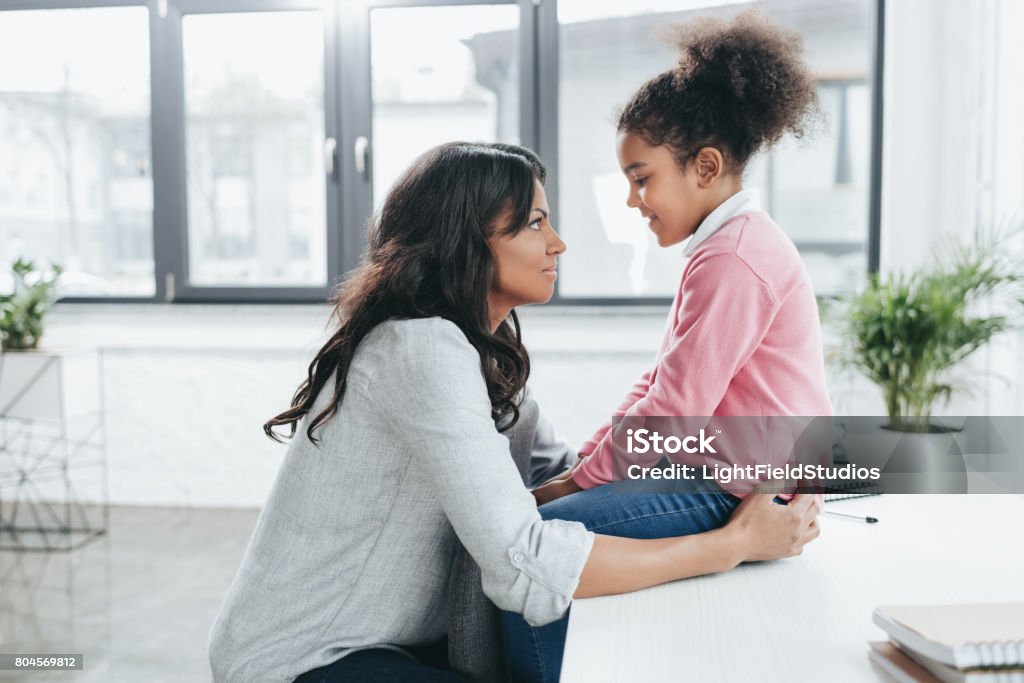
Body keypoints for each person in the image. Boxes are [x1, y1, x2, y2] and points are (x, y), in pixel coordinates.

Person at [207, 141, 821, 683]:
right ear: (466, 242)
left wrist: (776, 470)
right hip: (309, 661)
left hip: (402, 645)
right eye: (533, 223)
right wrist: (733, 542)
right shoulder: (419, 351)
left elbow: (565, 476)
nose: (558, 243)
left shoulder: (479, 359)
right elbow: (521, 563)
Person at [511, 10, 834, 681]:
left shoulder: (734, 257)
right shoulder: (726, 245)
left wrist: (576, 482)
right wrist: (588, 464)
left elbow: (675, 409)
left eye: (641, 177)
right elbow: (659, 386)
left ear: (706, 166)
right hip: (725, 473)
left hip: (745, 491)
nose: (633, 199)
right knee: (555, 514)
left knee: (537, 549)